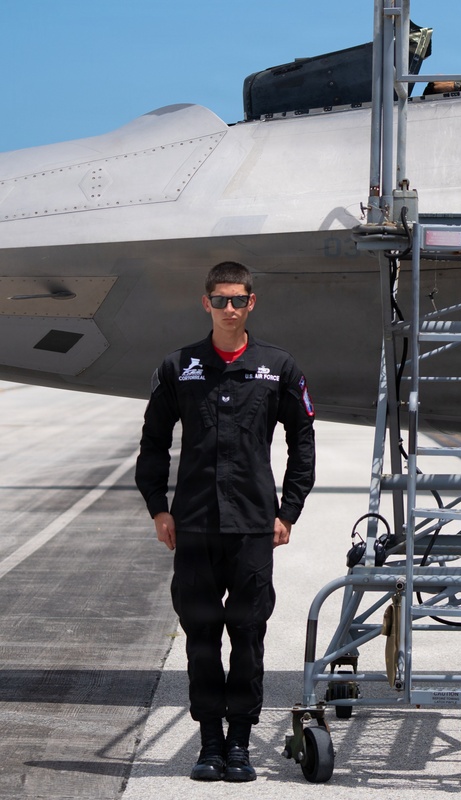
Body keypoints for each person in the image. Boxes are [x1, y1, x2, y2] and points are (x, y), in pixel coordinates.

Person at [135, 261, 316, 783]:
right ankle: (210, 744)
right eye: (220, 300)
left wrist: (288, 511)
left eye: (238, 300)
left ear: (251, 302)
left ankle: (240, 744)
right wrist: (158, 506)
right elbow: (153, 441)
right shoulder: (179, 367)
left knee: (248, 635)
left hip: (254, 526)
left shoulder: (277, 367)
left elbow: (302, 440)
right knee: (201, 637)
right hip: (194, 524)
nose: (229, 309)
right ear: (206, 303)